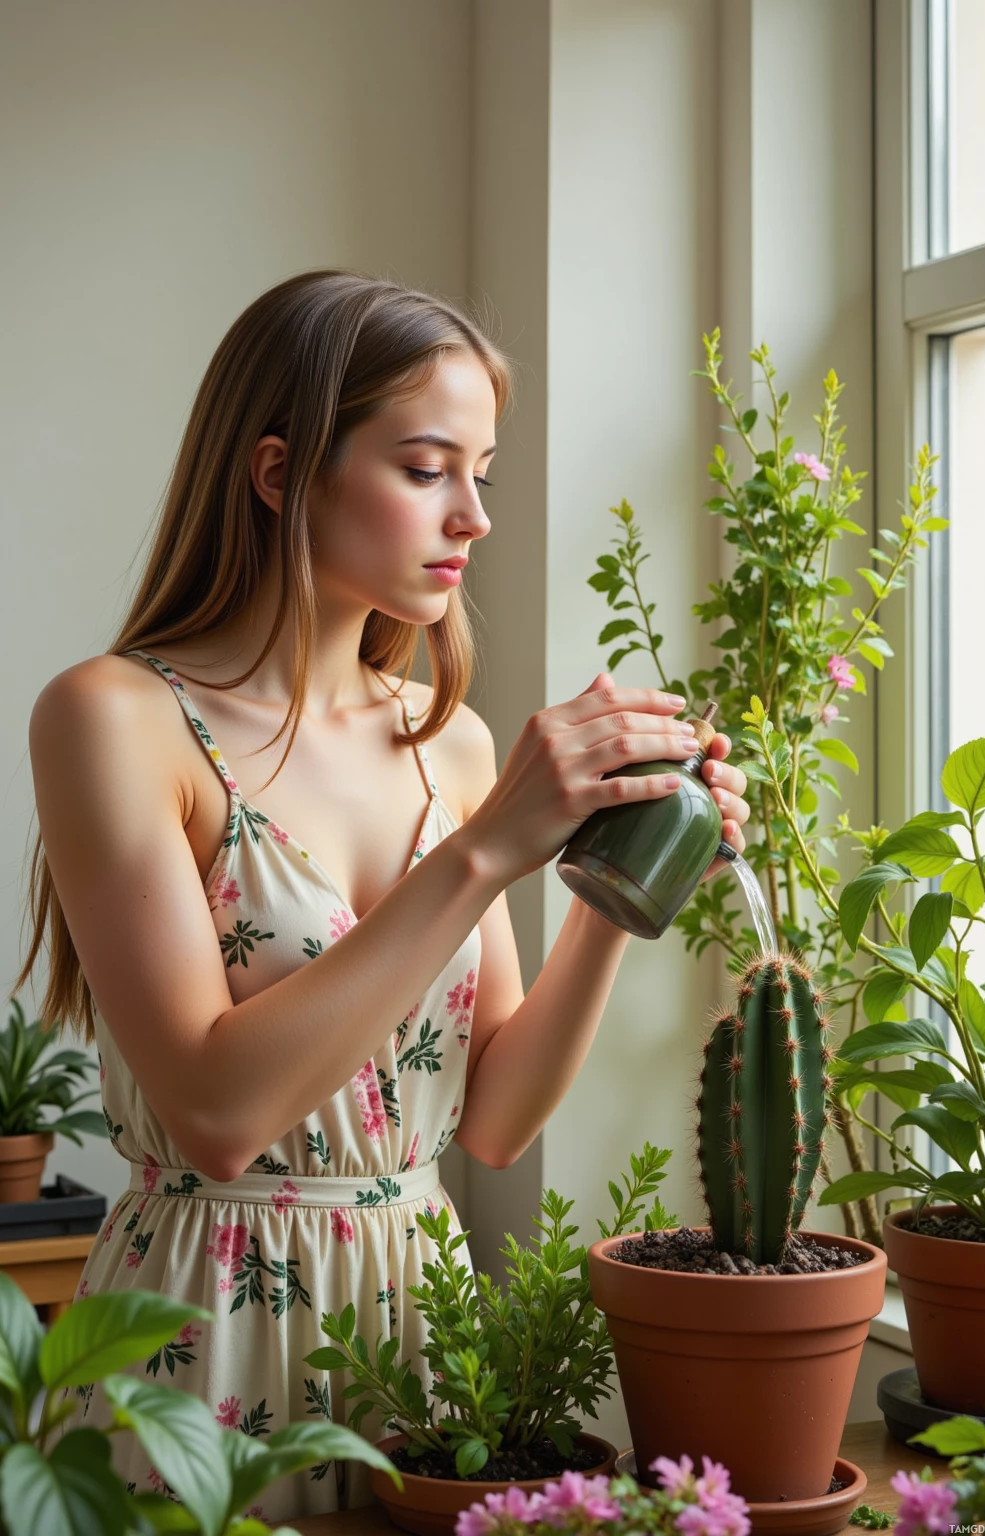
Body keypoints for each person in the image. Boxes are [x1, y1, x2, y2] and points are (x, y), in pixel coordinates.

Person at [19, 270, 750, 1519]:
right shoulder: (114, 718)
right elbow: (213, 1111)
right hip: (203, 1341)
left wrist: (609, 884)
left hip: (420, 1334)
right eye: (426, 468)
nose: (471, 514)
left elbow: (496, 1120)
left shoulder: (451, 745)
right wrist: (481, 855)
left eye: (484, 473)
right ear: (277, 473)